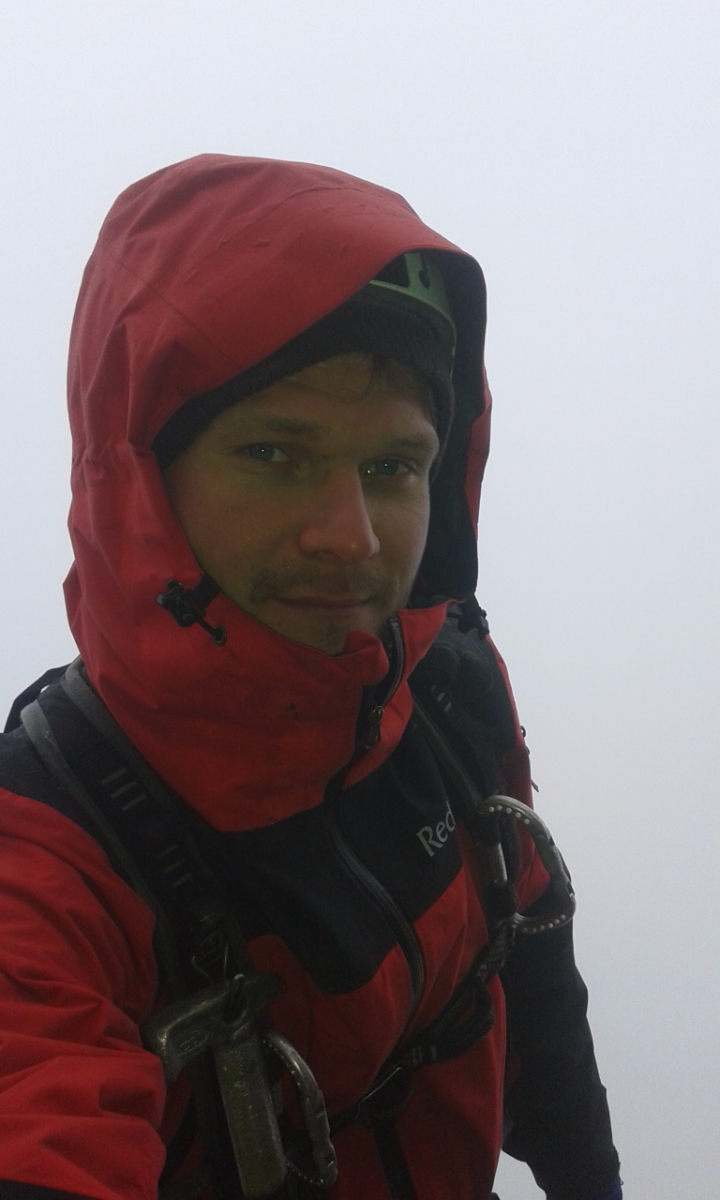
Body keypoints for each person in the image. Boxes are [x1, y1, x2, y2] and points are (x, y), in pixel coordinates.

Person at [0, 155, 621, 1200]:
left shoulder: (450, 688)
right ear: (138, 473)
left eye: (392, 467)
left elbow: (533, 988)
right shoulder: (48, 858)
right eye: (274, 454)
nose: (351, 537)